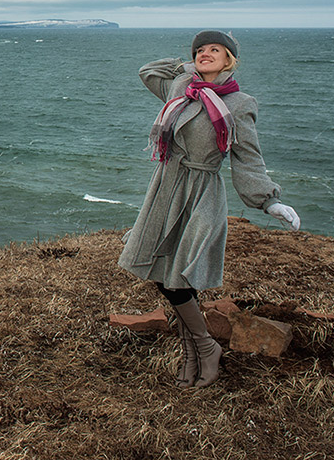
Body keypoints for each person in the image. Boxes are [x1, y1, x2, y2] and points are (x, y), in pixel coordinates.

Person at [117, 29, 300, 388]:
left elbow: (247, 159)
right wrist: (186, 68)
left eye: (214, 49)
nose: (205, 53)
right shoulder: (180, 88)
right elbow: (148, 70)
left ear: (229, 59)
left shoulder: (239, 104)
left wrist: (270, 201)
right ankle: (196, 349)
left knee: (182, 273)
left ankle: (203, 348)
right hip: (167, 187)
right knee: (162, 271)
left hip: (201, 190)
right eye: (199, 50)